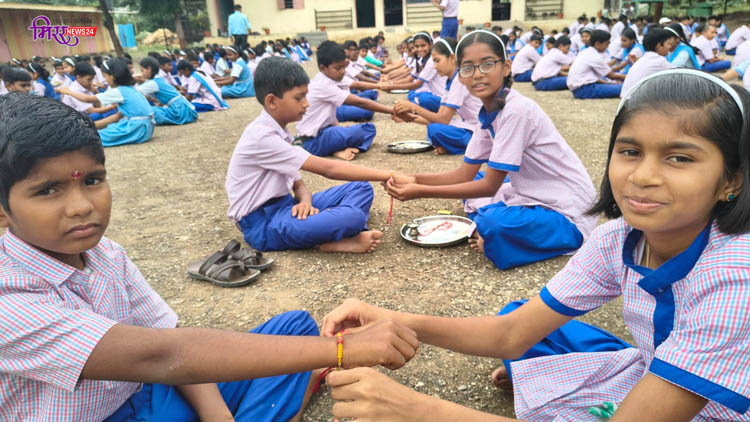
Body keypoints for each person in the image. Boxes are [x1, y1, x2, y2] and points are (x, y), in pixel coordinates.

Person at [323, 69, 750, 422]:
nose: (642, 176)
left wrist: (413, 409)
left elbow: (485, 183)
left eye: (679, 158)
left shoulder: (735, 277)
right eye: (630, 151)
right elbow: (511, 334)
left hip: (720, 410)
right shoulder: (621, 237)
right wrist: (391, 318)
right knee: (521, 320)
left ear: (731, 179)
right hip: (651, 363)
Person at [0, 92, 419, 422]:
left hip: (152, 392)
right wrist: (342, 350)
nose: (80, 206)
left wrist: (218, 415)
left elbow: (168, 337)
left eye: (92, 181)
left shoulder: (106, 253)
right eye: (47, 190)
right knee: (301, 352)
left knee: (297, 328)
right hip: (114, 407)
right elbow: (163, 354)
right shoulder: (8, 299)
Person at [387, 30, 597, 270]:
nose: (478, 74)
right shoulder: (488, 112)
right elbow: (463, 175)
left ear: (506, 67)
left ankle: (500, 237)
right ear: (460, 76)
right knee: (474, 183)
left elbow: (490, 187)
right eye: (468, 68)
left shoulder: (516, 110)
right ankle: (503, 232)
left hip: (568, 212)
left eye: (487, 64)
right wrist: (412, 179)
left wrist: (419, 191)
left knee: (491, 222)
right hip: (533, 193)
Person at [229, 57, 414, 253]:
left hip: (288, 205)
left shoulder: (279, 132)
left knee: (362, 187)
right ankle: (334, 236)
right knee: (352, 217)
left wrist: (305, 201)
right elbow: (330, 169)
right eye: (299, 98)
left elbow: (298, 184)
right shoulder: (262, 137)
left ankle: (334, 233)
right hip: (264, 223)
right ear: (272, 101)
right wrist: (388, 174)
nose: (306, 104)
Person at [296, 42, 393, 161]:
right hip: (314, 141)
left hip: (327, 132)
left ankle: (338, 147)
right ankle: (336, 149)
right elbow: (359, 102)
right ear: (323, 68)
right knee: (363, 121)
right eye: (338, 68)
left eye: (344, 67)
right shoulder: (322, 84)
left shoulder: (332, 77)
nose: (342, 71)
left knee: (370, 129)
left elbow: (331, 115)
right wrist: (392, 111)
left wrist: (341, 129)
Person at [392, 37, 482, 155]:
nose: (435, 66)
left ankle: (471, 146)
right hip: (470, 126)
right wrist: (409, 117)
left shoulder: (459, 80)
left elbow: (443, 120)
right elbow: (439, 117)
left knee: (434, 129)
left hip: (480, 131)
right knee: (433, 128)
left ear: (452, 58)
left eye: (437, 61)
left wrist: (413, 107)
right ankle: (452, 146)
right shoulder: (451, 81)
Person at [56, 59, 154, 147]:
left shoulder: (119, 91)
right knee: (107, 128)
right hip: (147, 128)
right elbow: (116, 117)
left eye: (105, 76)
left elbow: (87, 99)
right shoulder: (131, 89)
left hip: (137, 128)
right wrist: (90, 128)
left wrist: (68, 92)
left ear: (112, 77)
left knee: (93, 138)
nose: (105, 79)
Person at [382, 33, 448, 113]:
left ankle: (413, 106)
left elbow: (417, 84)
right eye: (416, 46)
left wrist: (390, 86)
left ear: (430, 45)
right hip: (431, 93)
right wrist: (390, 83)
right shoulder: (421, 60)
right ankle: (414, 104)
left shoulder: (432, 61)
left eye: (423, 45)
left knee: (424, 99)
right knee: (413, 93)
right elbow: (409, 78)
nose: (419, 49)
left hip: (441, 97)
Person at [137, 57, 198, 126]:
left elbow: (135, 92)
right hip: (185, 109)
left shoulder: (153, 83)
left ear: (149, 69)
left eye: (142, 71)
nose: (142, 74)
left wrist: (133, 80)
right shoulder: (159, 79)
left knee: (149, 111)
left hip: (180, 111)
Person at [567, 30, 626, 99]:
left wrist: (608, 83)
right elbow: (611, 76)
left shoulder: (586, 51)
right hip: (585, 90)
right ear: (597, 44)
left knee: (612, 83)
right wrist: (629, 78)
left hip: (578, 89)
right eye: (606, 44)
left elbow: (593, 77)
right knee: (624, 88)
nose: (607, 47)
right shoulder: (595, 56)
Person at [620, 28, 675, 97]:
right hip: (637, 101)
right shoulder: (659, 61)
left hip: (625, 99)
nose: (670, 47)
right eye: (668, 44)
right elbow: (680, 74)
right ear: (659, 46)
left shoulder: (642, 59)